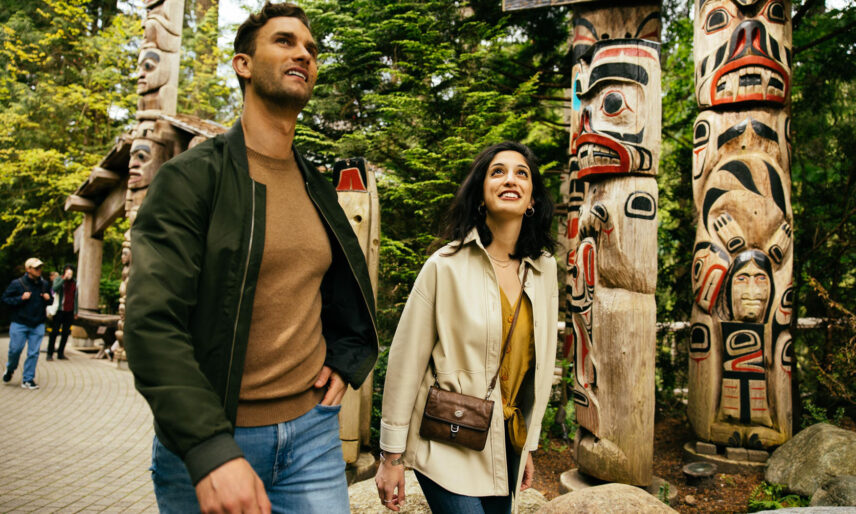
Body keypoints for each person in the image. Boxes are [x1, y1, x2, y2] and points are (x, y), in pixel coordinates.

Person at [124, 3, 378, 513]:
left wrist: (346, 359)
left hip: (313, 438)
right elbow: (152, 322)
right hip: (215, 437)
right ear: (243, 63)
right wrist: (209, 448)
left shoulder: (318, 187)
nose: (303, 53)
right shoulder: (191, 180)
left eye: (310, 48)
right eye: (285, 41)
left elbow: (340, 292)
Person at [375, 142, 559, 514]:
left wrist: (528, 449)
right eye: (498, 172)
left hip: (505, 443)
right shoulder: (445, 266)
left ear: (532, 200)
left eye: (521, 173)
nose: (511, 179)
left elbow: (535, 373)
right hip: (447, 439)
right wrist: (391, 456)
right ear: (480, 195)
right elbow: (406, 361)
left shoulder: (544, 270)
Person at [2, 258, 52, 390]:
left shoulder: (44, 284)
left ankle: (28, 379)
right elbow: (5, 299)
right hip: (20, 323)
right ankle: (10, 368)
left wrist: (49, 299)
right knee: (15, 350)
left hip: (38, 324)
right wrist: (20, 298)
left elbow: (50, 301)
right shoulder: (17, 284)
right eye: (36, 268)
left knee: (34, 353)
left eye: (40, 267)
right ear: (28, 269)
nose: (39, 270)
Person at [46, 264, 78, 361]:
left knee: (65, 333)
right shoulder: (59, 279)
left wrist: (76, 311)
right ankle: (50, 353)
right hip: (59, 310)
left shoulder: (75, 282)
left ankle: (61, 353)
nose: (69, 273)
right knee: (54, 332)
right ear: (64, 272)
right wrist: (63, 279)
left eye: (71, 271)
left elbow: (75, 298)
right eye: (67, 271)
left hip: (69, 311)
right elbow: (54, 288)